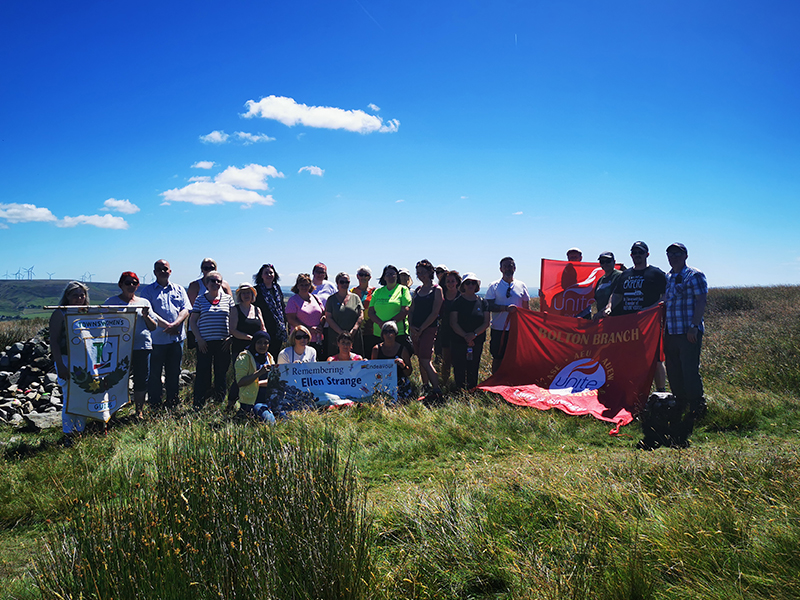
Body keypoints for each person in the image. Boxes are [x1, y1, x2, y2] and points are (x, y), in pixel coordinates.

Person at [603, 241, 668, 391]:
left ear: (647, 254)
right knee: (631, 357)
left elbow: (666, 295)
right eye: (634, 253)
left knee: (656, 359)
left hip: (649, 324)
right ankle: (634, 389)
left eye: (641, 252)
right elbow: (616, 294)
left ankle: (661, 392)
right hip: (628, 324)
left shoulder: (656, 273)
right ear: (631, 255)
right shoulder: (625, 274)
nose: (637, 255)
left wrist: (649, 309)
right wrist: (609, 307)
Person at [662, 242, 708, 446]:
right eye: (670, 253)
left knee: (689, 370)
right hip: (671, 331)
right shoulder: (668, 277)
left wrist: (694, 326)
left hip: (688, 331)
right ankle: (680, 403)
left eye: (677, 253)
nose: (673, 256)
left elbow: (701, 301)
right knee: (673, 370)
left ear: (685, 255)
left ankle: (697, 406)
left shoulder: (695, 275)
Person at [105, 272, 158, 418]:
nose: (131, 286)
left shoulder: (144, 302)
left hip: (142, 347)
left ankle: (139, 411)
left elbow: (153, 327)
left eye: (134, 283)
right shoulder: (111, 302)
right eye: (128, 283)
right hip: (119, 347)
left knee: (141, 379)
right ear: (120, 285)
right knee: (117, 380)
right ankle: (113, 411)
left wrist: (146, 316)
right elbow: (102, 322)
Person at [140, 259, 191, 410]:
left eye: (165, 268)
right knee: (154, 374)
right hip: (156, 340)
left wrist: (176, 324)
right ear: (154, 272)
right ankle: (155, 403)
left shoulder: (179, 289)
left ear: (170, 271)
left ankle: (172, 401)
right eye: (159, 269)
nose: (163, 271)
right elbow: (148, 311)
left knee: (174, 372)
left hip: (176, 339)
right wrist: (167, 325)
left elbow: (186, 308)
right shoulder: (147, 291)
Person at [49, 281, 90, 439]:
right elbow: (54, 341)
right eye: (75, 295)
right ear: (67, 296)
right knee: (69, 396)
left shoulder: (86, 312)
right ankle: (68, 432)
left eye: (82, 295)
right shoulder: (60, 314)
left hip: (84, 359)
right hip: (66, 359)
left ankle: (80, 431)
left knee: (83, 395)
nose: (79, 298)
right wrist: (60, 365)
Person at [189, 270, 234, 408]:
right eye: (212, 281)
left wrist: (231, 337)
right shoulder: (200, 299)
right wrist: (199, 339)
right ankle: (199, 403)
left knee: (221, 373)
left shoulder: (228, 299)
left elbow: (234, 319)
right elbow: (192, 321)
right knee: (203, 373)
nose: (216, 283)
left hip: (223, 343)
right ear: (206, 283)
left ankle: (219, 402)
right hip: (204, 343)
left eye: (218, 281)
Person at [485, 257, 530, 373]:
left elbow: (527, 309)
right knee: (498, 357)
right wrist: (505, 309)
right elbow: (489, 306)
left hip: (516, 329)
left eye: (510, 266)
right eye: (505, 266)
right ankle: (495, 383)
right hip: (498, 328)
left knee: (516, 356)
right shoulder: (493, 286)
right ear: (500, 269)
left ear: (515, 268)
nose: (508, 268)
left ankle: (511, 383)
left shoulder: (522, 285)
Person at [409, 259, 443, 400]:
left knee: (425, 359)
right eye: (418, 273)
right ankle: (425, 386)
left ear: (430, 272)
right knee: (420, 359)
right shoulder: (417, 290)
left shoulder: (437, 289)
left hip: (428, 329)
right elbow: (412, 310)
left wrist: (422, 329)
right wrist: (411, 327)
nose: (421, 275)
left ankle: (437, 389)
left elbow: (435, 312)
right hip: (415, 329)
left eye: (423, 272)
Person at [228, 283, 266, 408]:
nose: (246, 295)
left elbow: (262, 328)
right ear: (239, 295)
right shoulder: (235, 309)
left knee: (255, 375)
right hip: (240, 348)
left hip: (257, 349)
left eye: (248, 292)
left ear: (252, 295)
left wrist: (262, 340)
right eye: (243, 293)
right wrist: (251, 338)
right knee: (240, 377)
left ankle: (251, 401)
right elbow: (233, 330)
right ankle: (231, 402)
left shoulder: (257, 309)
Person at [450, 273, 490, 390]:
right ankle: (459, 391)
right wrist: (466, 336)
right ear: (463, 285)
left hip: (477, 341)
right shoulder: (457, 302)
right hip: (459, 341)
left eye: (473, 283)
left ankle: (472, 390)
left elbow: (486, 322)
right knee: (459, 366)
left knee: (474, 366)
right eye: (468, 283)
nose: (471, 285)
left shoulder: (483, 302)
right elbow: (453, 323)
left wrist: (473, 335)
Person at [233, 331, 276, 423]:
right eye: (259, 342)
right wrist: (259, 373)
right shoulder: (244, 357)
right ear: (254, 343)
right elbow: (240, 382)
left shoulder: (269, 357)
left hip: (270, 400)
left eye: (266, 343)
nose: (262, 345)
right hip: (253, 402)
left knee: (285, 419)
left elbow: (274, 381)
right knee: (270, 422)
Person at [369, 265, 413, 353]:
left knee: (400, 362)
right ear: (384, 277)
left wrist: (390, 324)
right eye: (388, 274)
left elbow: (405, 310)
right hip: (379, 333)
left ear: (397, 276)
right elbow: (371, 312)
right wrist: (380, 323)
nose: (391, 276)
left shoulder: (403, 290)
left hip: (398, 333)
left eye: (393, 274)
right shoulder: (378, 292)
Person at [253, 263, 288, 361]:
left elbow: (281, 307)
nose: (269, 275)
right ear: (261, 275)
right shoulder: (257, 290)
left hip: (278, 330)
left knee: (275, 355)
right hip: (263, 328)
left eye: (271, 273)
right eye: (266, 273)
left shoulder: (277, 288)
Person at [371, 321, 414, 400]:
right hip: (381, 381)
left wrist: (403, 365)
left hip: (399, 381)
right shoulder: (376, 349)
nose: (388, 334)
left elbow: (409, 372)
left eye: (391, 331)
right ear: (382, 334)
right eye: (385, 332)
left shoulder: (402, 349)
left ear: (395, 334)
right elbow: (372, 370)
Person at [285, 273, 325, 357]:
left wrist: (320, 326)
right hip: (300, 339)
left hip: (317, 339)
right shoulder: (293, 300)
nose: (304, 287)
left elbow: (323, 315)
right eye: (302, 285)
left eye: (307, 285)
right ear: (297, 286)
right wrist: (307, 329)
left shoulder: (316, 298)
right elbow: (291, 319)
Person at [325, 272, 363, 357]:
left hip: (354, 336)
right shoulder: (331, 299)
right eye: (342, 282)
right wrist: (342, 333)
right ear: (337, 283)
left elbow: (361, 315)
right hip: (335, 337)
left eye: (347, 282)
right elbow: (329, 318)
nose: (344, 284)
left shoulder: (355, 297)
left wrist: (353, 330)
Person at [438, 270, 461, 386]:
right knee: (446, 360)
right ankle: (444, 383)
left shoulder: (461, 296)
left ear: (457, 282)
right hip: (445, 331)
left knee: (458, 360)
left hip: (459, 332)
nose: (450, 283)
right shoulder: (441, 296)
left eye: (453, 281)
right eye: (448, 281)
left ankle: (458, 384)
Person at [351, 265, 376, 357]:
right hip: (356, 328)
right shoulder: (352, 291)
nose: (363, 277)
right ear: (357, 276)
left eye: (366, 275)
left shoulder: (375, 292)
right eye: (361, 274)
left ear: (370, 277)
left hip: (372, 328)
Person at [592, 252, 623, 321]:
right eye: (602, 262)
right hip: (603, 319)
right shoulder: (600, 280)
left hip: (616, 318)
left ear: (614, 262)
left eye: (608, 261)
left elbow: (618, 296)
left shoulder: (619, 276)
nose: (605, 264)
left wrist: (602, 312)